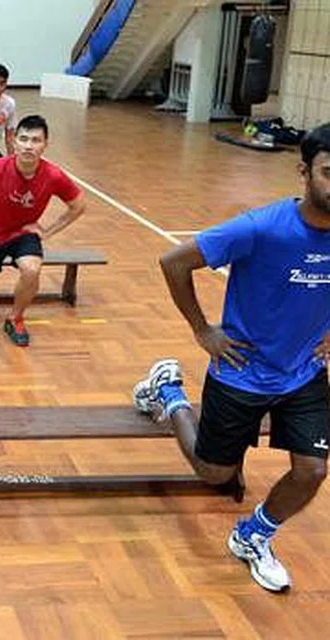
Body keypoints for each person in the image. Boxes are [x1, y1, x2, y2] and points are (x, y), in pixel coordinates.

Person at [133, 122, 330, 594]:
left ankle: (253, 535)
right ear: (304, 172)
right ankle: (168, 391)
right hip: (241, 370)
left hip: (303, 373)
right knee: (214, 474)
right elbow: (174, 261)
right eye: (329, 172)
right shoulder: (262, 227)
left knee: (314, 470)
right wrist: (202, 330)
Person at [0, 115, 86, 346]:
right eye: (23, 139)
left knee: (32, 269)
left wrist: (48, 231)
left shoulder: (53, 175)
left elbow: (79, 206)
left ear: (45, 145)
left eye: (35, 140)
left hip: (23, 234)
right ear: (14, 141)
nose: (28, 145)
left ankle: (15, 319)